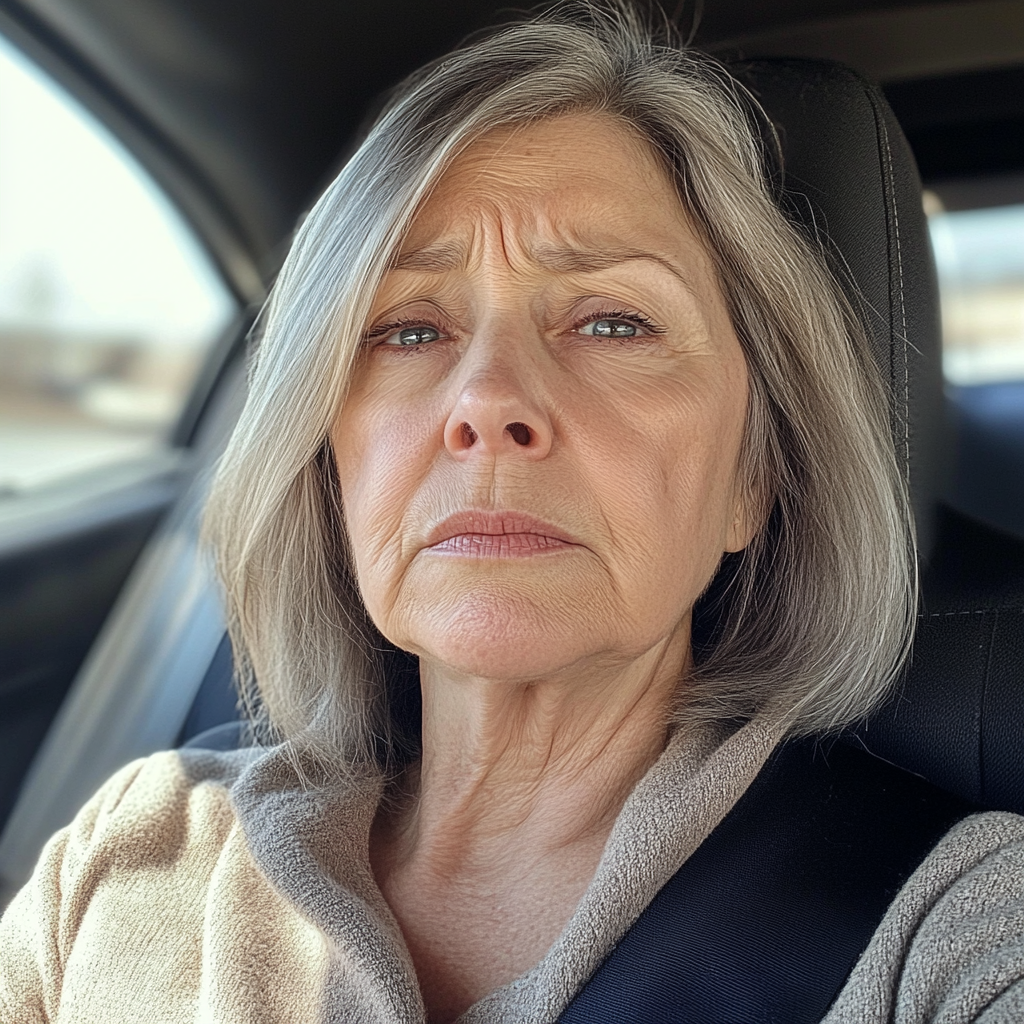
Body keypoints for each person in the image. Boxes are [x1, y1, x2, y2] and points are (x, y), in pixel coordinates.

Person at [2, 4, 1022, 1022]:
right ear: (330, 465)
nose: (488, 400)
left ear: (749, 479)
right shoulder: (134, 852)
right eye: (406, 330)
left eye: (613, 321)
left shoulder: (948, 930)